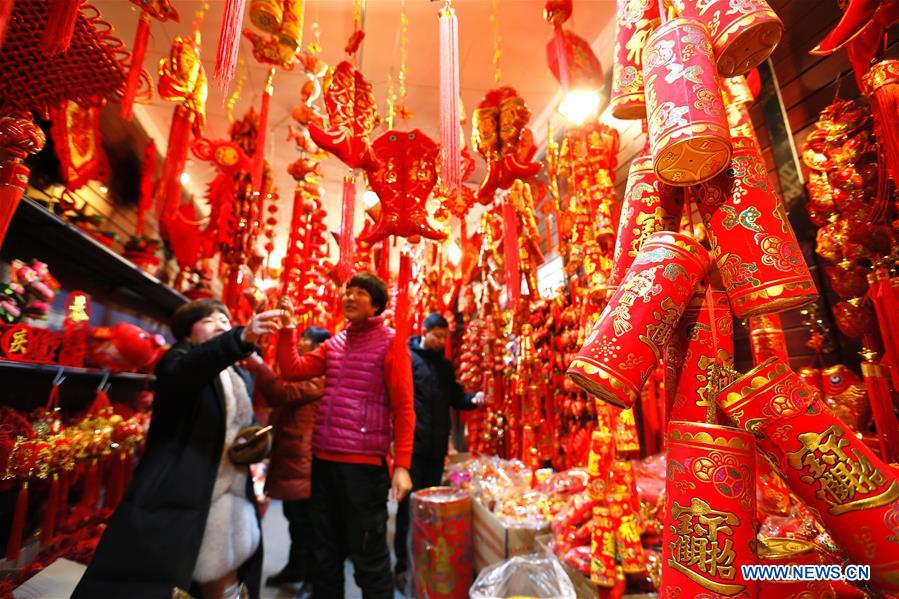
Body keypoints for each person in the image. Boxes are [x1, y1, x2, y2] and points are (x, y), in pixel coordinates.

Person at [72, 299, 282, 599]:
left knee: (227, 574)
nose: (221, 323)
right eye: (210, 320)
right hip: (178, 490)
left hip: (230, 490)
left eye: (226, 319)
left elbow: (240, 425)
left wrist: (255, 442)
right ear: (187, 333)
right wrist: (238, 338)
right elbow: (191, 369)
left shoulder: (238, 375)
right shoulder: (178, 361)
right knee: (161, 579)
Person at [276, 272, 415, 599]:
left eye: (360, 293)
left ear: (376, 304)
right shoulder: (335, 343)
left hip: (364, 468)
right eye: (347, 292)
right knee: (324, 555)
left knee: (369, 558)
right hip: (323, 462)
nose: (350, 297)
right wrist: (286, 328)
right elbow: (293, 370)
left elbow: (405, 408)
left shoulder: (391, 343)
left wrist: (402, 466)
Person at [393, 313, 484, 591]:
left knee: (433, 508)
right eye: (438, 336)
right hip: (412, 447)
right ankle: (402, 565)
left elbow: (456, 397)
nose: (442, 341)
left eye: (445, 337)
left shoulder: (444, 366)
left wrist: (474, 399)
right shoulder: (407, 359)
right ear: (425, 331)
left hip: (435, 448)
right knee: (407, 506)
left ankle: (427, 560)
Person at [242, 327, 331, 595]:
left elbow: (281, 394)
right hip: (292, 454)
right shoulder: (303, 374)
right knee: (295, 518)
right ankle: (296, 568)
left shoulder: (320, 377)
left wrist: (260, 366)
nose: (300, 344)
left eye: (306, 340)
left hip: (306, 458)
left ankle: (313, 579)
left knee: (309, 522)